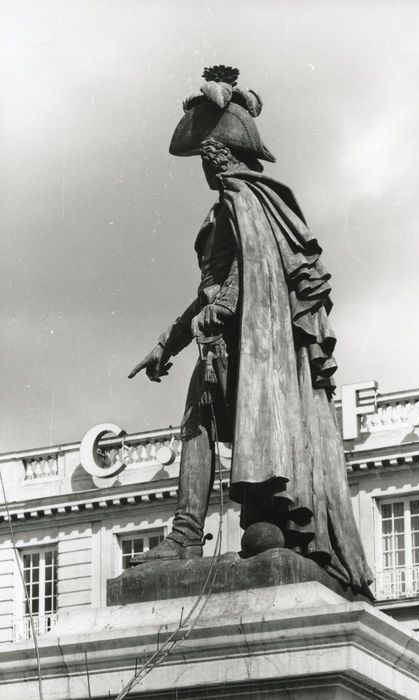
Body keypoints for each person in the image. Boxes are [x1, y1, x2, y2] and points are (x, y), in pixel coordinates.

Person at [128, 66, 373, 595]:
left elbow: (248, 272)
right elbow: (215, 284)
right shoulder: (234, 206)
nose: (203, 168)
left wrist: (211, 318)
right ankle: (218, 527)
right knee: (207, 425)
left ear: (219, 156)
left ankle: (192, 533)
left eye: (204, 158)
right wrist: (166, 342)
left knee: (199, 424)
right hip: (234, 341)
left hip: (244, 345)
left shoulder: (242, 201)